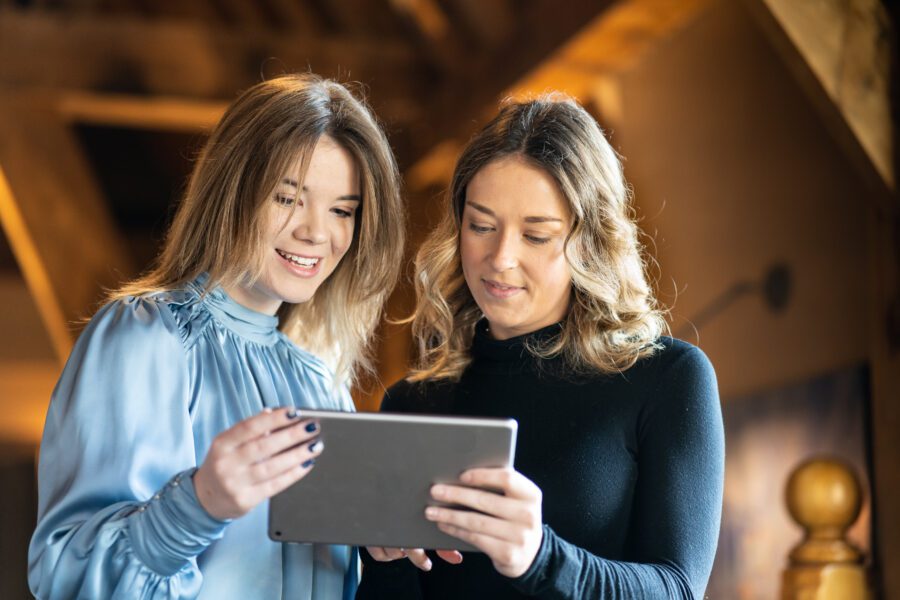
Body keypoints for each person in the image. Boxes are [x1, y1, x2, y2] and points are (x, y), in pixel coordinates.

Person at [28, 73, 405, 600]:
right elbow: (66, 572)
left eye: (343, 210)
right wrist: (199, 503)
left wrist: (377, 544)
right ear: (233, 190)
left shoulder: (322, 386)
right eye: (288, 198)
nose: (317, 232)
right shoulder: (143, 336)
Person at [357, 95, 725, 599]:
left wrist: (540, 557)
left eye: (536, 235)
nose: (500, 258)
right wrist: (383, 563)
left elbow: (679, 589)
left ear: (588, 240)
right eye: (481, 226)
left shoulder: (666, 378)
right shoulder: (412, 405)